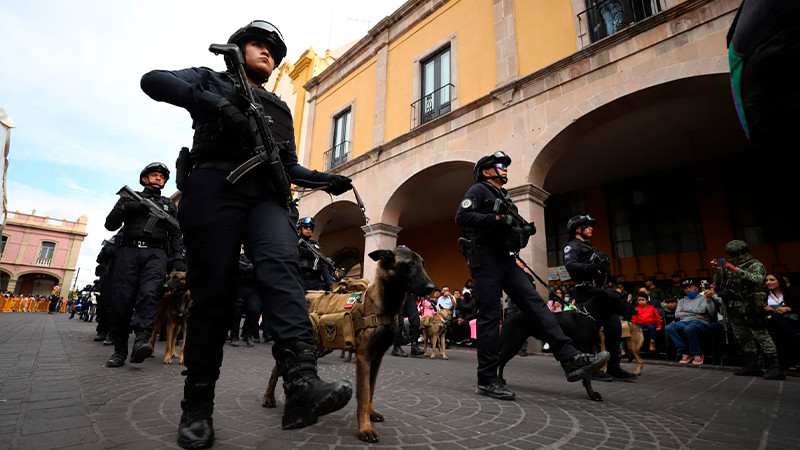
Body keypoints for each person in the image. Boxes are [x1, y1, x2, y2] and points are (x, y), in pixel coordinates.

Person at [141, 20, 354, 448]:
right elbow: (153, 81)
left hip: (265, 198)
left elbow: (287, 164)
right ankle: (197, 406)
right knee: (213, 297)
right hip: (214, 187)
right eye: (259, 45)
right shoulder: (210, 79)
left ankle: (301, 384)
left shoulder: (279, 106)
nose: (267, 55)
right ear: (238, 49)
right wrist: (216, 104)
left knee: (283, 273)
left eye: (273, 52)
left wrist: (323, 179)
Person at [456, 151, 609, 401]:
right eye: (498, 166)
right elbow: (461, 217)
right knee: (490, 317)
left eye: (505, 166)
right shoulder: (479, 191)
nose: (504, 169)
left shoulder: (504, 196)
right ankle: (486, 380)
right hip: (485, 260)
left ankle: (571, 359)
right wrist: (498, 218)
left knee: (537, 306)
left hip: (506, 259)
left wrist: (523, 229)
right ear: (486, 171)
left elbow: (509, 227)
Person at [103, 162, 185, 368]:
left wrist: (177, 258)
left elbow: (175, 234)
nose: (159, 178)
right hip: (129, 251)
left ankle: (141, 341)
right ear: (144, 178)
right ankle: (119, 350)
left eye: (162, 177)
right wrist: (124, 208)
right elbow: (110, 224)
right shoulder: (128, 197)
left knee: (149, 296)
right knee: (122, 299)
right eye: (155, 175)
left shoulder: (168, 205)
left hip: (156, 254)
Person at [563, 214, 636, 382]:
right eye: (587, 226)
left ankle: (614, 367)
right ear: (577, 229)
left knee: (614, 327)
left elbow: (600, 268)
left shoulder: (591, 248)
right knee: (588, 333)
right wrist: (593, 266)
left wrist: (610, 277)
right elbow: (571, 265)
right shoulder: (572, 246)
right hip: (586, 294)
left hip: (601, 294)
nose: (591, 228)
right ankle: (591, 368)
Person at [712, 240, 783, 380]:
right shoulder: (730, 266)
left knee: (761, 335)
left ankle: (775, 367)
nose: (732, 256)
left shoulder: (755, 265)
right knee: (742, 336)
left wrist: (734, 269)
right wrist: (718, 271)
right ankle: (753, 365)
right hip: (733, 305)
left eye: (733, 254)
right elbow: (718, 284)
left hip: (751, 305)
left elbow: (757, 280)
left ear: (741, 252)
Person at [664, 279, 716, 365]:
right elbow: (677, 314)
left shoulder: (704, 298)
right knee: (669, 327)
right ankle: (685, 351)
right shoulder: (682, 301)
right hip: (685, 321)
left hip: (699, 321)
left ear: (696, 288)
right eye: (686, 288)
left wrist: (685, 310)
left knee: (689, 328)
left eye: (690, 287)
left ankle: (697, 353)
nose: (688, 290)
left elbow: (702, 310)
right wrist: (695, 313)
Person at [764, 273, 800, 370]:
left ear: (779, 282)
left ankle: (787, 361)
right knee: (777, 319)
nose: (768, 282)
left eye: (772, 280)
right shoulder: (764, 295)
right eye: (767, 280)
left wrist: (788, 308)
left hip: (791, 320)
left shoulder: (791, 293)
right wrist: (765, 308)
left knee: (782, 331)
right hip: (772, 321)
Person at [229, 250, 261, 347]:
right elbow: (237, 268)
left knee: (254, 311)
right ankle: (234, 336)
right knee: (236, 312)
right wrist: (249, 268)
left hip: (253, 289)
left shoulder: (258, 258)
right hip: (240, 287)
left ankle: (248, 335)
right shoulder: (240, 258)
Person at [296, 217, 334, 291]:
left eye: (311, 228)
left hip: (315, 280)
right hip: (300, 280)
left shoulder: (314, 246)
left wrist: (330, 283)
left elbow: (322, 264)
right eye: (306, 227)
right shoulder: (294, 243)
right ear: (299, 229)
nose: (309, 229)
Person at [391, 292, 424, 357]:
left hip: (409, 294)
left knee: (415, 318)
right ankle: (396, 347)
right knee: (399, 321)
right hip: (397, 295)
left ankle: (414, 345)